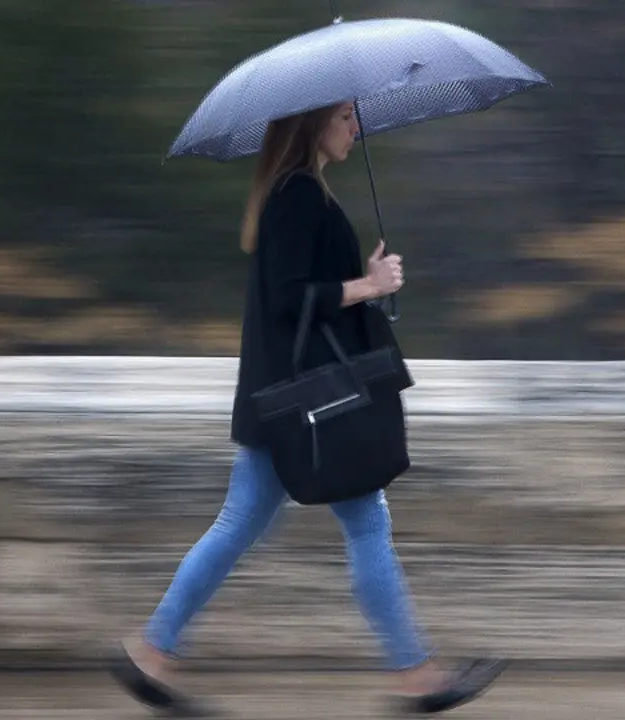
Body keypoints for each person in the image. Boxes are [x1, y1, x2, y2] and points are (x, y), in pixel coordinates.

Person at [109, 100, 506, 716]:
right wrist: (369, 286)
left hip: (289, 402)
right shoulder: (297, 194)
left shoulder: (298, 191)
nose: (356, 128)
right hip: (307, 406)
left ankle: (152, 652)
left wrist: (366, 280)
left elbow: (302, 292)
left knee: (242, 525)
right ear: (313, 122)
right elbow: (290, 298)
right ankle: (415, 674)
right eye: (345, 117)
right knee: (359, 524)